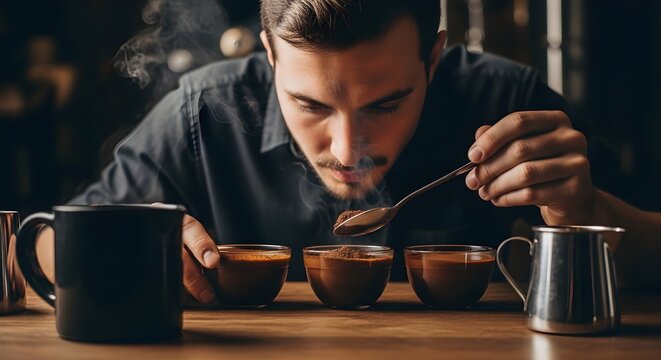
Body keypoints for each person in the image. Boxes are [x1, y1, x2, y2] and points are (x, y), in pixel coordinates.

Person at [37, 0, 661, 304]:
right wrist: (118, 247)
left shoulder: (508, 103)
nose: (346, 149)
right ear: (269, 55)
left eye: (385, 105)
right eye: (310, 106)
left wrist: (581, 212)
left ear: (434, 58)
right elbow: (33, 249)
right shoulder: (203, 113)